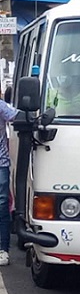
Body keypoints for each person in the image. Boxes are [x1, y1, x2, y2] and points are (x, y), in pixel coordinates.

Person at [0, 97, 16, 266]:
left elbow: (16, 116)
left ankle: (3, 249)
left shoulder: (0, 106)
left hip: (0, 163)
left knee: (2, 205)